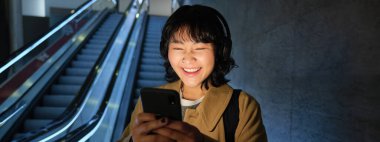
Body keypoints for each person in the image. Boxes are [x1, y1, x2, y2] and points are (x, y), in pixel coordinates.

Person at [119, 5, 267, 142]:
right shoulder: (148, 101)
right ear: (167, 51)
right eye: (178, 48)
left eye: (200, 48)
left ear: (220, 51)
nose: (188, 58)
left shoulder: (243, 107)